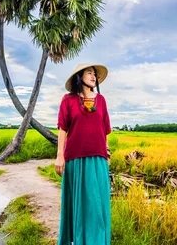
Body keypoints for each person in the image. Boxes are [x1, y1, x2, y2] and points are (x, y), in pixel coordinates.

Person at [56, 63, 112, 245]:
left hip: (98, 158)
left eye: (95, 74)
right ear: (80, 77)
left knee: (97, 203)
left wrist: (107, 151)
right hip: (75, 159)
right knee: (78, 203)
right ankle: (77, 239)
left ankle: (96, 240)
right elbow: (63, 129)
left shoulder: (101, 100)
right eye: (89, 73)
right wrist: (59, 156)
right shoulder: (68, 100)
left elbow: (105, 130)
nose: (94, 76)